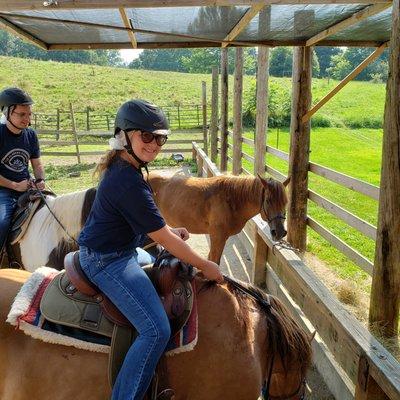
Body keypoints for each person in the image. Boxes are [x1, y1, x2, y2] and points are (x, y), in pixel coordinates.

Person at [78, 99, 223, 400]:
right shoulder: (127, 180)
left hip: (124, 250)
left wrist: (170, 233)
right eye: (147, 136)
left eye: (160, 138)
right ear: (124, 136)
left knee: (167, 266)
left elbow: (157, 229)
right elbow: (164, 238)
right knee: (156, 330)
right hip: (107, 261)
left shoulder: (129, 170)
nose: (155, 144)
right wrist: (206, 265)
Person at [0, 87, 45, 251]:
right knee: (1, 222)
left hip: (27, 186)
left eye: (29, 114)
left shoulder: (31, 135)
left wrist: (40, 180)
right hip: (3, 190)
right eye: (22, 114)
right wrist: (14, 185)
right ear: (7, 112)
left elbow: (37, 164)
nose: (27, 119)